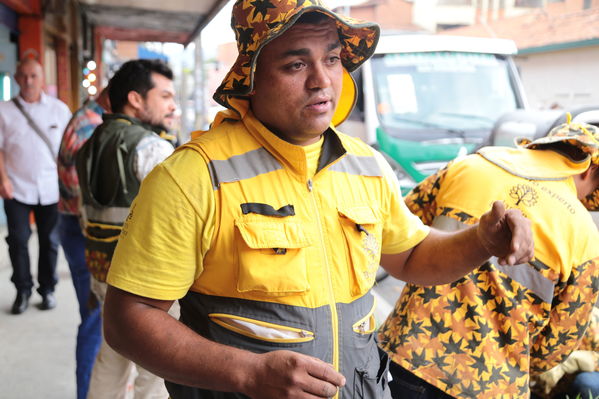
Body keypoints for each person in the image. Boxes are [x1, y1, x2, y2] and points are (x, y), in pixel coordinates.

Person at [101, 2, 533, 398]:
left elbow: (412, 255)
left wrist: (481, 241)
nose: (322, 80)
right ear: (249, 78)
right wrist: (247, 373)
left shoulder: (364, 163)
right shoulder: (193, 177)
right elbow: (128, 318)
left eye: (331, 58)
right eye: (295, 64)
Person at [378, 117, 599, 398]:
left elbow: (397, 235)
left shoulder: (470, 165)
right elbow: (552, 349)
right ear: (588, 168)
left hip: (405, 360)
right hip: (492, 386)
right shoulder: (585, 236)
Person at [75, 59, 177, 399]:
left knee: (112, 357)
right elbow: (181, 219)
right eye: (164, 96)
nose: (172, 105)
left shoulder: (89, 146)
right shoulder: (151, 147)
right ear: (135, 99)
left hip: (103, 274)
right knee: (157, 373)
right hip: (147, 285)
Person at [0, 58, 71, 314]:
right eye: (24, 76)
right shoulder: (4, 110)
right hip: (16, 187)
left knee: (49, 241)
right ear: (17, 78)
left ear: (42, 79)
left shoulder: (59, 110)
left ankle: (47, 289)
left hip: (51, 188)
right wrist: (3, 179)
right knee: (18, 240)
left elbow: (69, 151)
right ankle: (22, 290)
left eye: (33, 76)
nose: (29, 81)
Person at [57, 87, 110, 399]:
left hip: (79, 228)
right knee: (95, 319)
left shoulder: (92, 119)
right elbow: (84, 189)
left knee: (98, 319)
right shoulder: (90, 125)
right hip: (82, 232)